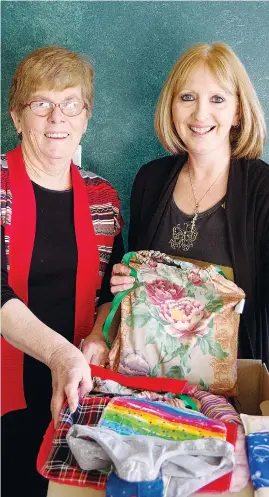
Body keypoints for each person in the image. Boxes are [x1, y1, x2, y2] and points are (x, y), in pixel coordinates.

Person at [1, 46, 124, 497]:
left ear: (85, 117)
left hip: (78, 386)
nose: (58, 118)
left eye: (71, 104)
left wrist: (97, 333)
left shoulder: (102, 197)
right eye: (41, 104)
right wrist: (61, 355)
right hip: (9, 389)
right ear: (17, 116)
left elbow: (111, 289)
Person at [109, 42, 269, 369]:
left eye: (217, 99)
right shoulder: (150, 180)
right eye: (187, 98)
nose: (199, 114)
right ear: (172, 106)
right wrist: (126, 283)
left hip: (236, 382)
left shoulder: (262, 188)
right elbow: (139, 282)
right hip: (153, 379)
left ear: (238, 111)